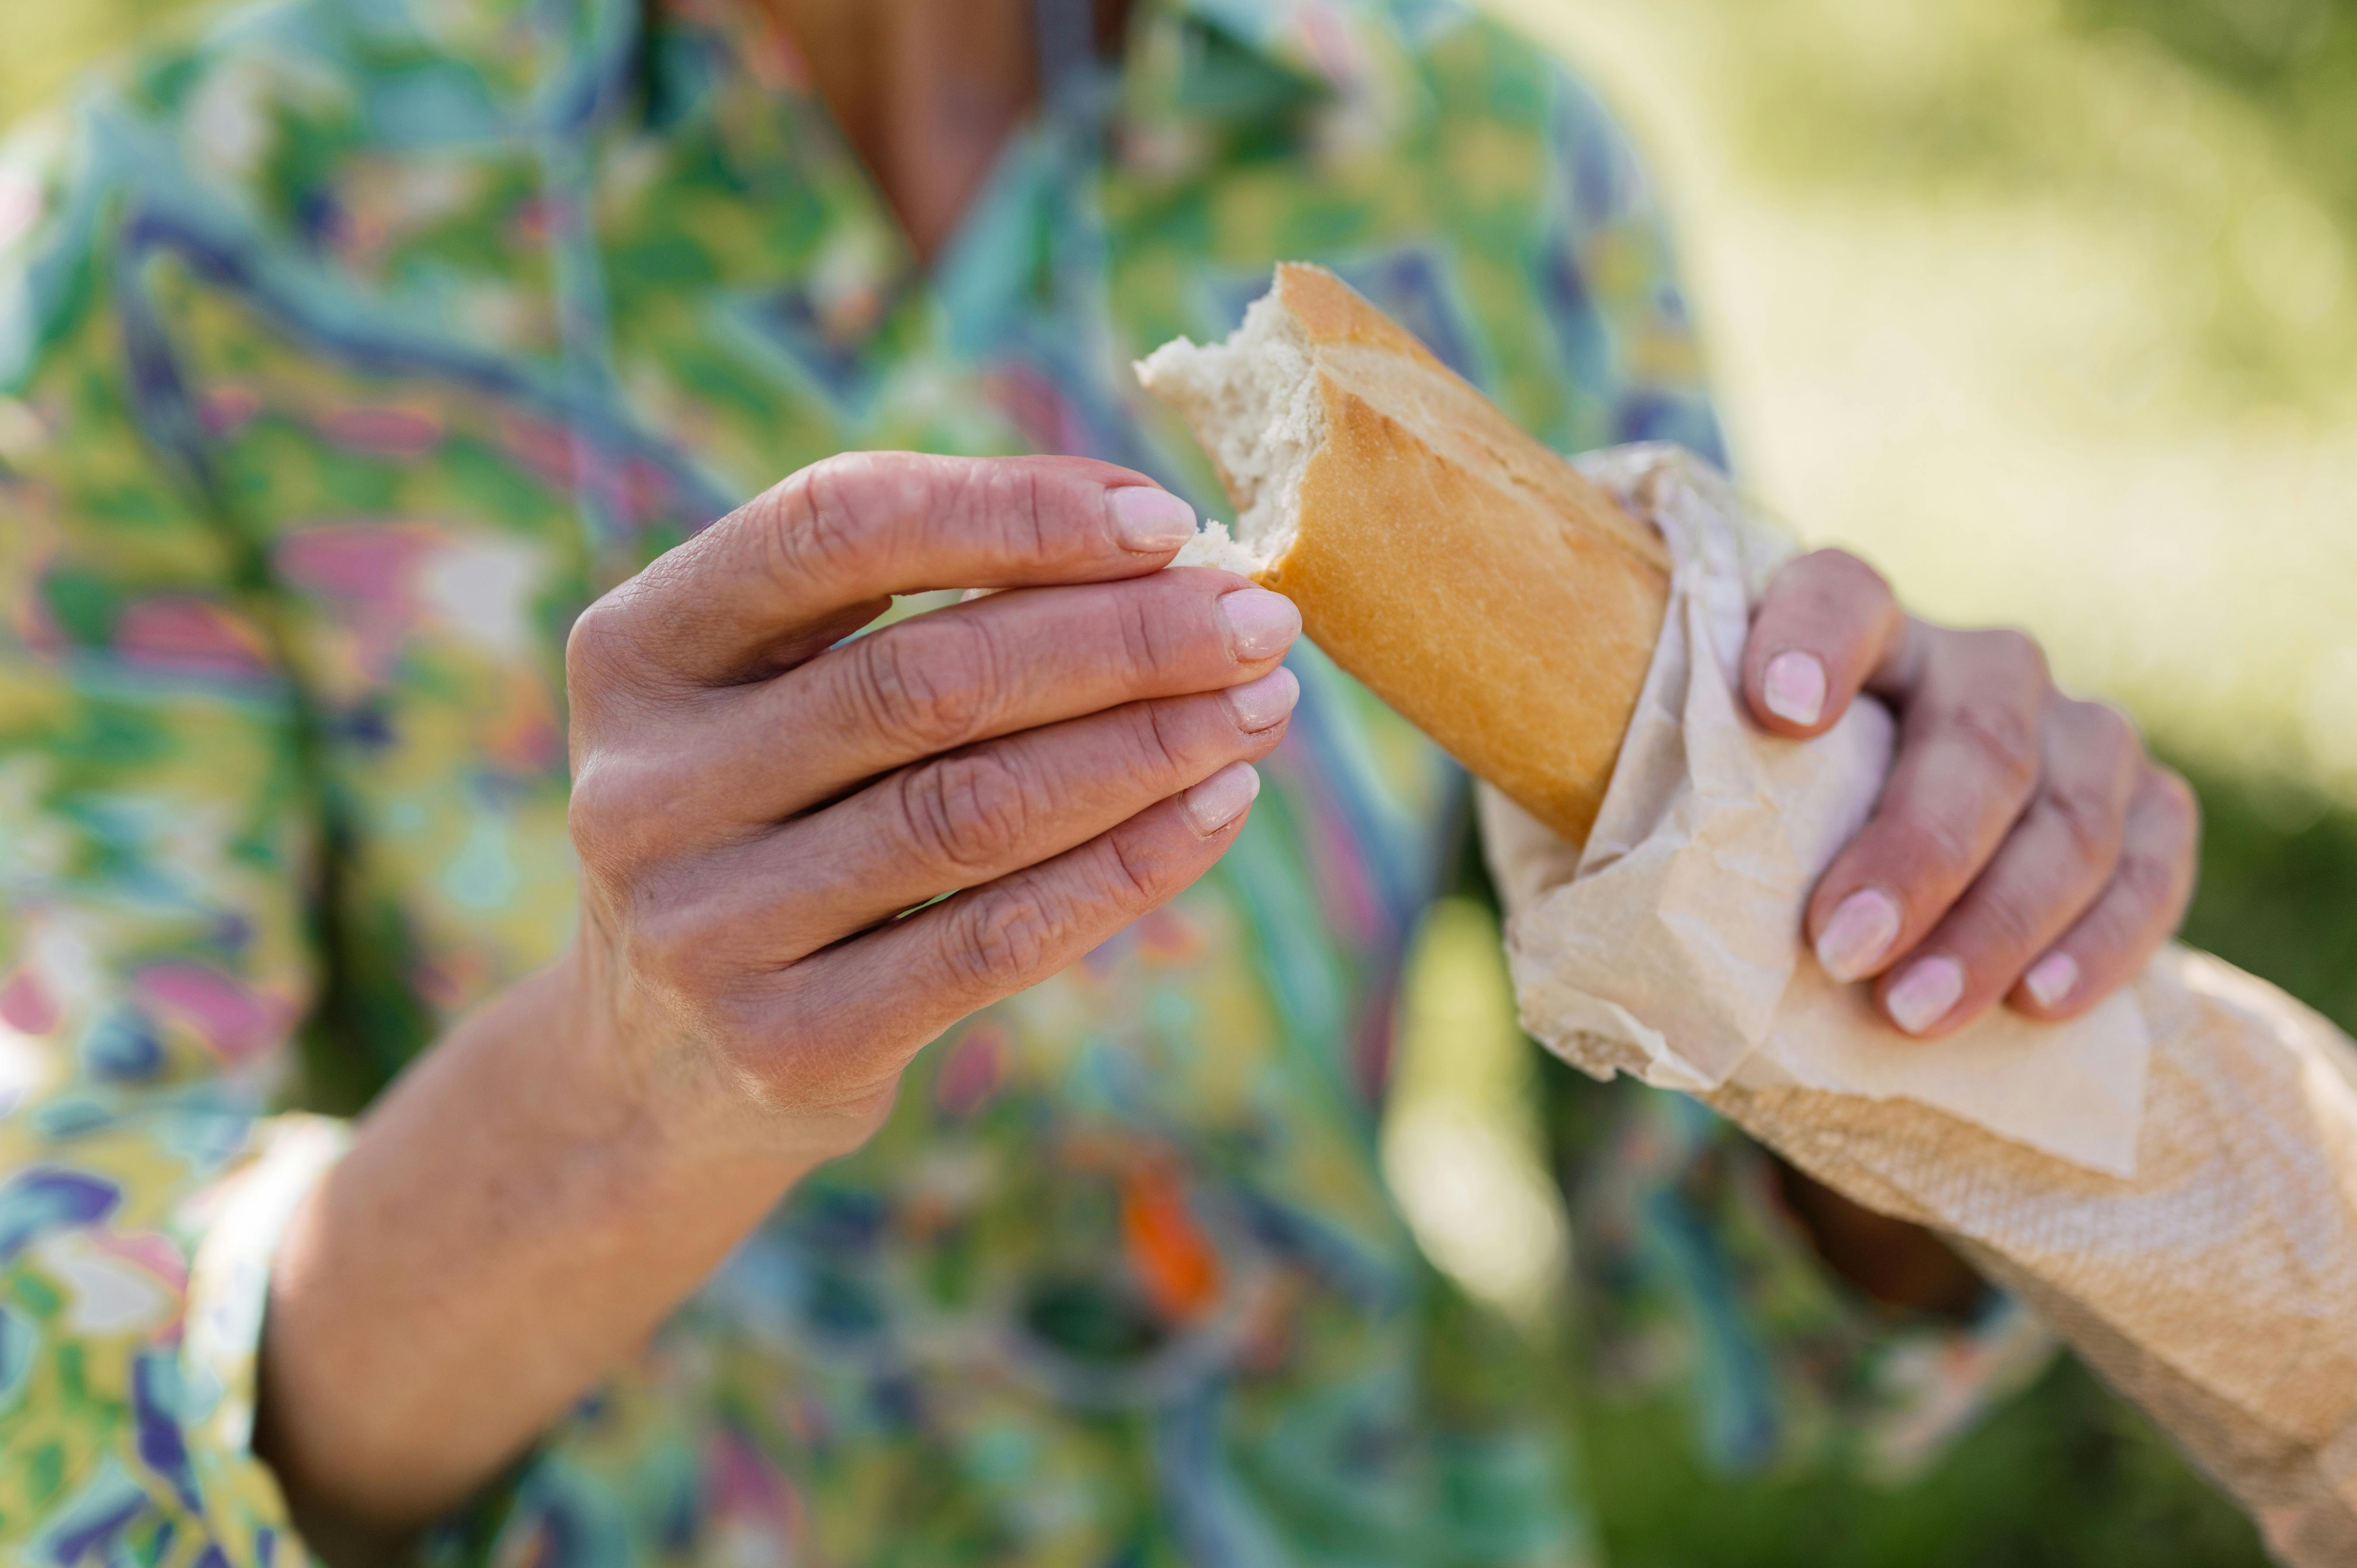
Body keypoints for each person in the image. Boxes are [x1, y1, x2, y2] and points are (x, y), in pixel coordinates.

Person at [0, 0, 2198, 1561]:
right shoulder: (199, 233)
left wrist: (1910, 923)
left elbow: (1756, 1323)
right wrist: (632, 1083)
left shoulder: (1476, 157)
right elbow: (74, 1413)